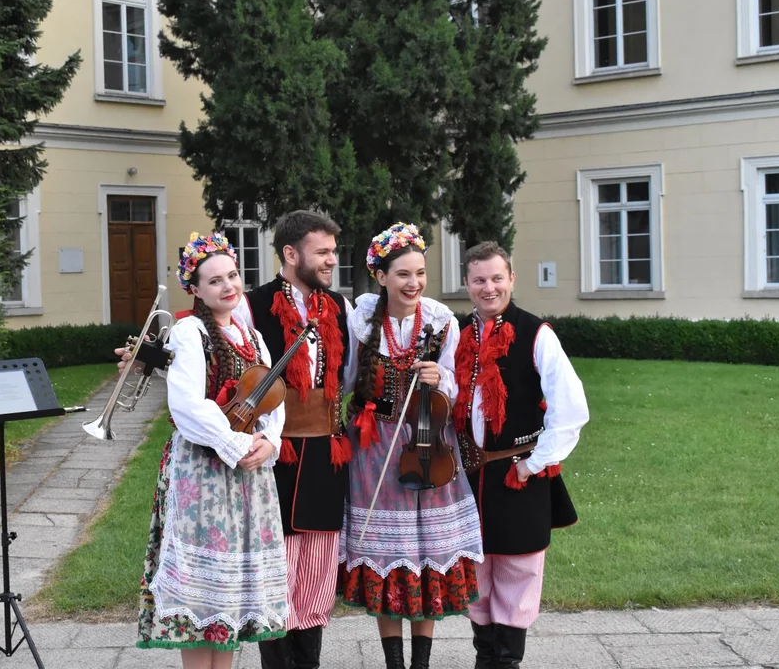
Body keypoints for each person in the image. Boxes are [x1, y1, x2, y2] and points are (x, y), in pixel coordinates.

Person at [135, 232, 289, 669]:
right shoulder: (189, 331)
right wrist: (236, 443)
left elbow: (272, 398)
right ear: (197, 289)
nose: (228, 286)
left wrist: (269, 442)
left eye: (233, 275)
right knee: (200, 596)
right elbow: (187, 406)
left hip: (248, 474)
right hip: (202, 473)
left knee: (230, 592)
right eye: (215, 280)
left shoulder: (251, 336)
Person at [340, 222, 483, 669]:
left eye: (420, 273)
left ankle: (421, 661)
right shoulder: (361, 319)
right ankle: (394, 662)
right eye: (403, 274)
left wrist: (441, 381)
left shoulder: (441, 321)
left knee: (427, 552)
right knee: (386, 552)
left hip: (428, 441)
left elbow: (457, 387)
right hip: (374, 446)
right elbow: (345, 380)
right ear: (381, 276)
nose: (414, 283)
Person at [452, 241, 588, 669]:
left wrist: (533, 463)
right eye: (479, 280)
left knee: (518, 569)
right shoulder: (457, 334)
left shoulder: (536, 333)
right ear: (467, 284)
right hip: (468, 475)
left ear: (511, 278)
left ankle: (506, 662)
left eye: (496, 278)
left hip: (518, 473)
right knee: (475, 570)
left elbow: (570, 409)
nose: (488, 287)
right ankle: (485, 658)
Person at [234, 211, 352, 669]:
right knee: (276, 568)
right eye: (322, 252)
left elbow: (350, 373)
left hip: (326, 451)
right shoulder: (253, 305)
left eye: (332, 250)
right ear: (290, 253)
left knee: (318, 568)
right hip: (275, 451)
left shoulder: (339, 306)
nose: (331, 259)